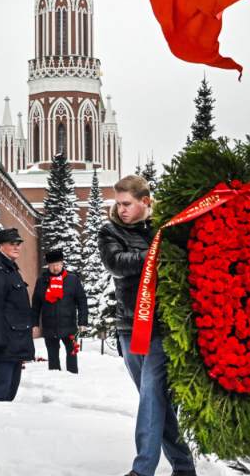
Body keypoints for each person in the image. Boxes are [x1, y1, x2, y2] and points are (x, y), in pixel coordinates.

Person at [98, 175, 195, 476]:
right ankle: (183, 465)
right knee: (154, 399)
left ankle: (142, 470)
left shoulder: (163, 229)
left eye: (127, 204)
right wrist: (155, 254)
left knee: (153, 395)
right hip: (130, 327)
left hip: (162, 328)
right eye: (119, 204)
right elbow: (116, 262)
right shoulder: (110, 230)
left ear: (145, 202)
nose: (122, 209)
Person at [0, 227, 35, 402]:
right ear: (0, 247)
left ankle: (5, 423)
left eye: (18, 244)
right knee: (0, 390)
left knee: (11, 388)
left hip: (16, 339)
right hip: (5, 340)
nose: (17, 247)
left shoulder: (10, 269)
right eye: (12, 244)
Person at [31, 248, 89, 373]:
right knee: (52, 355)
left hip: (69, 324)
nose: (55, 268)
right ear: (48, 266)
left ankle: (73, 376)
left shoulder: (72, 280)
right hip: (49, 325)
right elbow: (36, 304)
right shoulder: (42, 281)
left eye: (57, 264)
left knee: (72, 353)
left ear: (62, 264)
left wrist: (82, 322)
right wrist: (34, 323)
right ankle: (55, 379)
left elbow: (82, 301)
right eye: (52, 265)